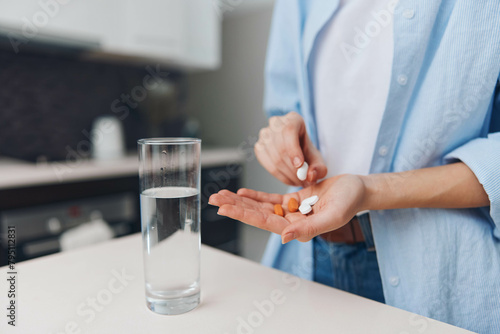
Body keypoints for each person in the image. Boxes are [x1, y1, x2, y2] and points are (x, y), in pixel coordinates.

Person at [209, 0, 500, 332]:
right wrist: (283, 140)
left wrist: (368, 190)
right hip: (311, 252)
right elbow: (285, 106)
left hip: (437, 272)